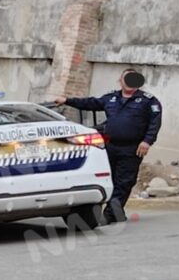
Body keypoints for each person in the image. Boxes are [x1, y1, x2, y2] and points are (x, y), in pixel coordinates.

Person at [55, 68, 162, 223]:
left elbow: (155, 122)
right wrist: (67, 101)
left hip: (132, 148)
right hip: (110, 146)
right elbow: (90, 103)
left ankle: (110, 214)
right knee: (109, 179)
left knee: (124, 181)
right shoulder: (111, 98)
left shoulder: (148, 101)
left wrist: (147, 141)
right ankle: (117, 212)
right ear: (121, 80)